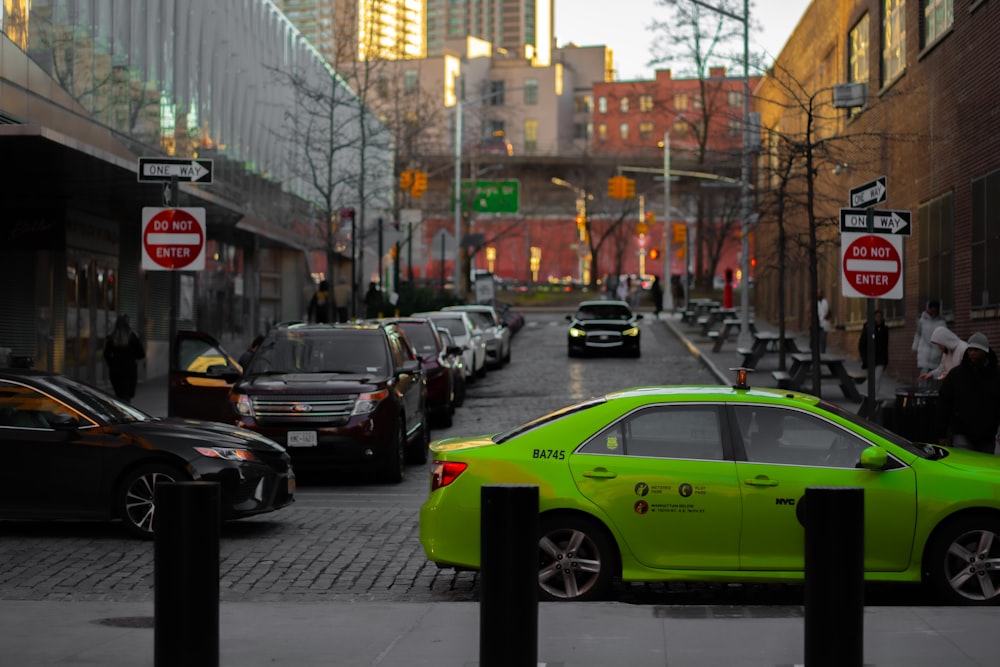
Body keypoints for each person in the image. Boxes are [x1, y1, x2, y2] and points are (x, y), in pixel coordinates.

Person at [937, 333, 1000, 452]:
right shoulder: (956, 375)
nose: (972, 353)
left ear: (985, 351)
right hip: (962, 432)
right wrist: (942, 433)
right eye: (970, 349)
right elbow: (944, 403)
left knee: (983, 468)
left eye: (976, 350)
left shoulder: (995, 376)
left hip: (987, 435)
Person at [103, 314, 145, 403]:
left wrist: (112, 364)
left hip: (116, 371)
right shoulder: (132, 337)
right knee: (126, 397)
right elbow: (141, 354)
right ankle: (125, 414)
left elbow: (106, 354)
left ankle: (120, 413)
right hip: (129, 371)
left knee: (119, 395)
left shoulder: (112, 337)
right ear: (128, 324)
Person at [858, 309, 889, 396]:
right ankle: (867, 395)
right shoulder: (868, 328)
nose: (879, 319)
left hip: (880, 359)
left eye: (880, 317)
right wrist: (864, 358)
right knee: (871, 379)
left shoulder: (884, 329)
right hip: (870, 359)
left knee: (877, 379)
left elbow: (885, 345)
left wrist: (886, 361)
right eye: (877, 317)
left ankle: (874, 396)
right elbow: (862, 344)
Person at [912, 299, 946, 377]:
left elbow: (944, 337)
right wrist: (914, 347)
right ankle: (922, 388)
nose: (933, 313)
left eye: (935, 311)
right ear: (928, 309)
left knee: (934, 376)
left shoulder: (942, 322)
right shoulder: (922, 321)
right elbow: (918, 334)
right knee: (923, 374)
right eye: (932, 310)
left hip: (936, 353)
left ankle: (931, 389)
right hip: (923, 352)